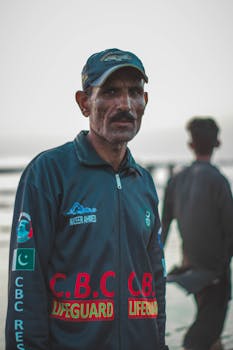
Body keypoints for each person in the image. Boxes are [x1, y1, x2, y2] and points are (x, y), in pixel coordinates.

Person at [5, 48, 169, 350]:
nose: (125, 104)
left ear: (145, 102)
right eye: (109, 92)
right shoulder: (48, 172)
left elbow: (156, 279)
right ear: (84, 103)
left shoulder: (143, 182)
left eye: (135, 92)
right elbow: (26, 283)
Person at [161, 117, 233, 350]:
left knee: (211, 333)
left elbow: (161, 232)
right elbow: (231, 231)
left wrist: (152, 268)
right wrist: (221, 270)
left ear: (191, 145)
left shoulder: (175, 180)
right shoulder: (219, 182)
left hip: (189, 271)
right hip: (214, 274)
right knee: (196, 340)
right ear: (218, 144)